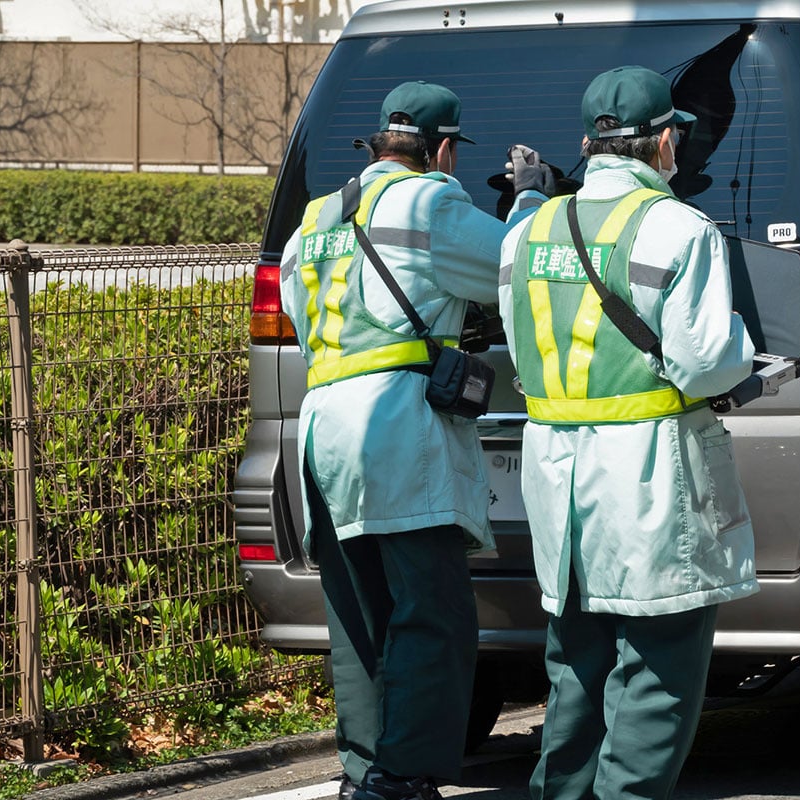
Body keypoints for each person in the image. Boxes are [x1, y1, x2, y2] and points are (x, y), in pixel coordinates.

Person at [278, 80, 555, 800]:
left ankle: (364, 768)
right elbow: (514, 266)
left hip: (323, 429)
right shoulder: (429, 201)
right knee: (430, 611)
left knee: (360, 613)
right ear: (439, 149)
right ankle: (403, 777)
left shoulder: (313, 218)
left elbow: (300, 316)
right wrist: (528, 198)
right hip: (395, 429)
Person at [498, 65, 760, 800]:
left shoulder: (530, 232)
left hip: (557, 476)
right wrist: (746, 349)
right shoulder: (679, 228)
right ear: (665, 141)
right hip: (648, 476)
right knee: (659, 668)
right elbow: (705, 361)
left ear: (590, 142)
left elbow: (524, 349)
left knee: (575, 663)